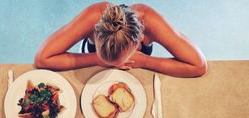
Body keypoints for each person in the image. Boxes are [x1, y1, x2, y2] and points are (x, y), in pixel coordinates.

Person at [34, 2, 207, 78]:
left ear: (139, 39)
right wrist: (96, 59)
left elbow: (198, 65)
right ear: (95, 31)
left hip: (137, 66)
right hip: (90, 62)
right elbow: (42, 58)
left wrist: (146, 61)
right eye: (104, 55)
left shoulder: (151, 23)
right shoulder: (93, 17)